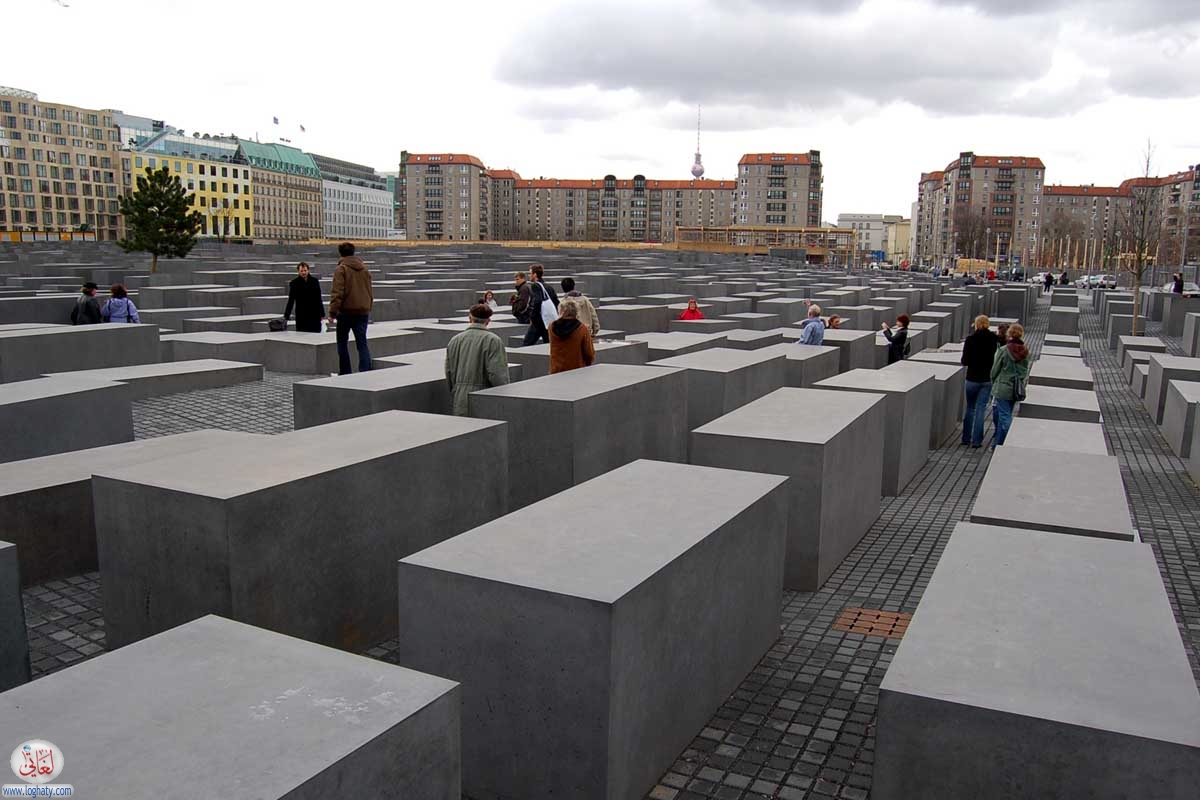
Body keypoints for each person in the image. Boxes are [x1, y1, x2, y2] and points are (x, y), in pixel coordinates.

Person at [444, 304, 511, 416]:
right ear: (488, 320)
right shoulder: (493, 340)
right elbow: (497, 374)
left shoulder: (455, 340)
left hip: (460, 397)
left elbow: (449, 371)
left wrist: (456, 390)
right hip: (485, 398)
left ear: (470, 318)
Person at [327, 242, 373, 374]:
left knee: (342, 343)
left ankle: (345, 372)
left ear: (340, 253)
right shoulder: (364, 269)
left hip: (346, 312)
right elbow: (369, 290)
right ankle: (365, 371)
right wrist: (368, 306)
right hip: (362, 312)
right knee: (362, 343)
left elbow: (337, 293)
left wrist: (332, 313)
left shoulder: (341, 269)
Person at [960, 315, 1000, 448]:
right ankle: (977, 441)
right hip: (987, 379)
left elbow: (964, 361)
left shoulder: (970, 339)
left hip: (972, 378)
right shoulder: (993, 338)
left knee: (970, 408)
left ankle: (966, 438)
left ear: (976, 324)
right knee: (981, 409)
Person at [990, 322, 1030, 449]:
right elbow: (1024, 371)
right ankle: (997, 445)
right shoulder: (1025, 351)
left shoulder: (1003, 350)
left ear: (1010, 334)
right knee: (1004, 415)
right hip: (1015, 389)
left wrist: (993, 381)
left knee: (1005, 417)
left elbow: (995, 369)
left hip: (1002, 388)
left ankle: (1010, 440)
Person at [549, 299, 595, 374]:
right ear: (576, 312)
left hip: (556, 370)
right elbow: (589, 353)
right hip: (576, 370)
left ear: (561, 311)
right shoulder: (582, 328)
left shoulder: (551, 327)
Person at [521, 263, 559, 346]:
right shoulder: (549, 287)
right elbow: (556, 302)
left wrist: (532, 316)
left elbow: (538, 301)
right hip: (547, 321)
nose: (529, 275)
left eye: (530, 273)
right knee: (548, 344)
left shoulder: (535, 286)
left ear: (535, 275)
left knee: (527, 344)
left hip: (538, 321)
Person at [283, 262, 325, 333]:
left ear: (308, 270)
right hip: (301, 315)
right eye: (301, 271)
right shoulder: (294, 283)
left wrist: (322, 314)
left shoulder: (315, 281)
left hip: (314, 314)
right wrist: (286, 316)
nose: (303, 273)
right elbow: (291, 301)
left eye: (305, 270)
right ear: (298, 271)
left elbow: (318, 298)